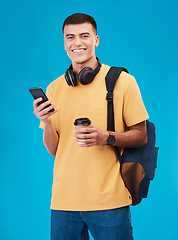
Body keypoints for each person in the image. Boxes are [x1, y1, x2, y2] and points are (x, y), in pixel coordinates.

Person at [33, 13, 149, 240]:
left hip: (109, 201)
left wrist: (106, 137)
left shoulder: (123, 82)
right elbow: (54, 150)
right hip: (63, 202)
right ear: (64, 42)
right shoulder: (55, 88)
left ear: (96, 40)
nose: (77, 43)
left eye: (84, 36)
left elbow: (141, 135)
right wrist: (46, 122)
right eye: (70, 37)